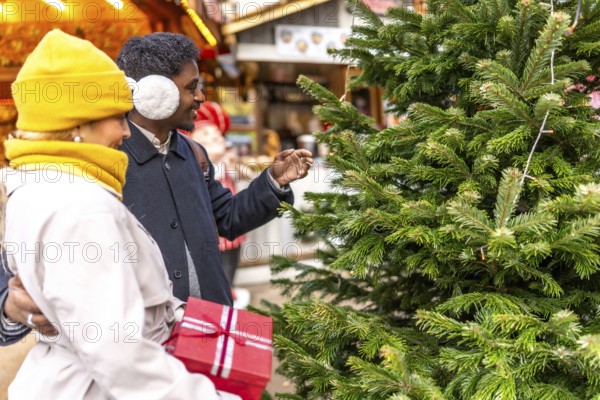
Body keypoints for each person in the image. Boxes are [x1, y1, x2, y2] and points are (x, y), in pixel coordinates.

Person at [0, 32, 313, 341]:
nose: (202, 98)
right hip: (142, 354)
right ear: (154, 93)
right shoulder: (95, 165)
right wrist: (9, 305)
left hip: (211, 334)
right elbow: (18, 271)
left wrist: (272, 182)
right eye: (192, 87)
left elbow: (227, 218)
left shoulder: (193, 154)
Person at [1, 29, 224, 399]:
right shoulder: (82, 209)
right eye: (115, 117)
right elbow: (123, 357)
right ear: (76, 125)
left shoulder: (32, 186)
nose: (124, 131)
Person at [186, 101, 249, 308]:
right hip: (211, 230)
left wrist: (233, 162)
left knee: (231, 263)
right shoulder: (197, 166)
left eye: (215, 136)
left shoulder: (228, 162)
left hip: (233, 225)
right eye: (205, 137)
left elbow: (248, 176)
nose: (212, 140)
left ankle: (230, 290)